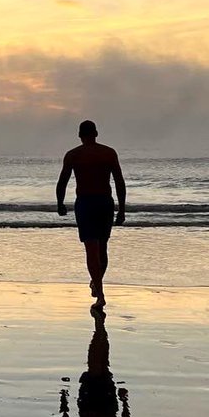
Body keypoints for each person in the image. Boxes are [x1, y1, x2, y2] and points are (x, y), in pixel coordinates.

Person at [55, 119, 126, 306]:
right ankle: (98, 286)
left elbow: (62, 182)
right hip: (104, 203)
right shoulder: (108, 153)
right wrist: (122, 209)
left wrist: (60, 203)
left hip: (86, 203)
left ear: (79, 136)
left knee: (92, 249)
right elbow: (119, 182)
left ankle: (100, 292)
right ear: (96, 134)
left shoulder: (73, 155)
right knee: (102, 249)